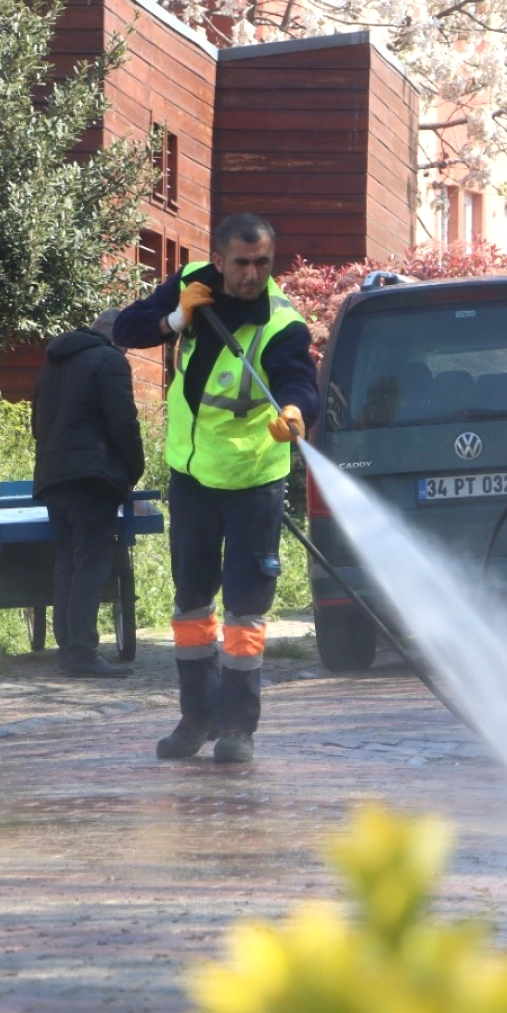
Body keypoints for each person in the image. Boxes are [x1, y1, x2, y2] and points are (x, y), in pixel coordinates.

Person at [113, 214, 318, 764]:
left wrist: (297, 411)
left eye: (263, 263)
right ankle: (195, 718)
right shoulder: (191, 286)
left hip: (254, 480)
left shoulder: (282, 323)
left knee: (245, 614)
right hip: (192, 478)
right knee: (191, 607)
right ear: (219, 259)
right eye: (242, 263)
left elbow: (298, 378)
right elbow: (125, 330)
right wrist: (177, 318)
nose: (252, 275)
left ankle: (237, 729)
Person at [32, 309, 145, 679]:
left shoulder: (52, 364)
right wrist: (133, 469)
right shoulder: (109, 360)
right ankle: (81, 654)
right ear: (118, 336)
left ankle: (69, 649)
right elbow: (123, 420)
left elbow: (38, 423)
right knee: (91, 564)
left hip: (54, 476)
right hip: (93, 476)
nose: (128, 352)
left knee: (67, 562)